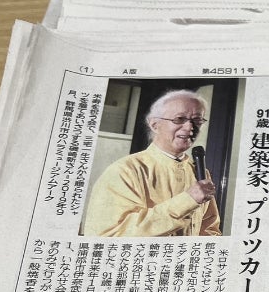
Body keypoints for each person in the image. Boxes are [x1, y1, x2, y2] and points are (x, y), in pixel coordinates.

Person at [85, 90, 221, 237]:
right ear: (155, 125)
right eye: (179, 119)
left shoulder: (200, 173)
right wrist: (187, 201)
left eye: (197, 120)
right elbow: (109, 235)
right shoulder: (125, 171)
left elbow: (210, 229)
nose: (190, 127)